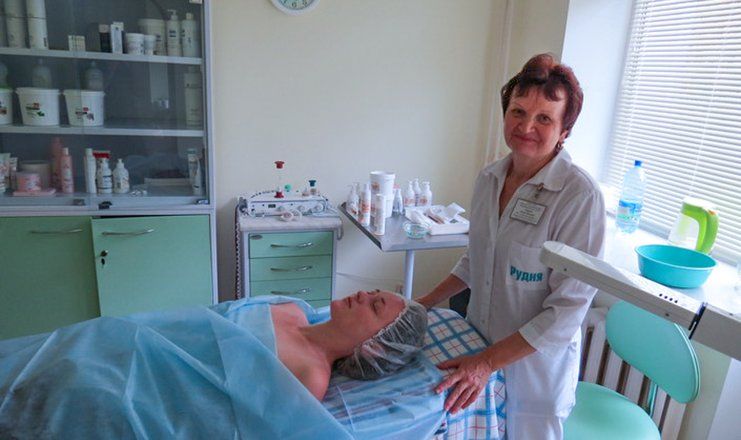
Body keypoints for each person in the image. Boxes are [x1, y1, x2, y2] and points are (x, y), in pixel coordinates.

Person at [417, 53, 605, 439]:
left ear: (565, 131)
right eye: (518, 112)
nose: (526, 126)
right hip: (478, 351)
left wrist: (486, 363)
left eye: (544, 119)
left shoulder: (579, 198)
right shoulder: (490, 178)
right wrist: (422, 304)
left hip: (533, 374)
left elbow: (566, 313)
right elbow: (478, 259)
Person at [272, 290, 428, 399]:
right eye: (372, 292)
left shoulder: (311, 377)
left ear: (373, 348)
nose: (362, 293)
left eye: (375, 306)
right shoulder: (292, 310)